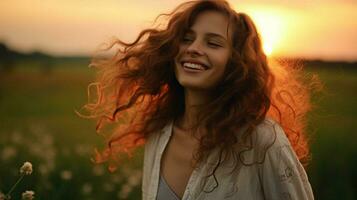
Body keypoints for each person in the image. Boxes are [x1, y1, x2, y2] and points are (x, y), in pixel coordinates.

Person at [81, 0, 316, 199]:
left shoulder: (262, 140)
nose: (194, 48)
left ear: (236, 63)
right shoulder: (159, 133)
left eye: (213, 43)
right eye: (186, 38)